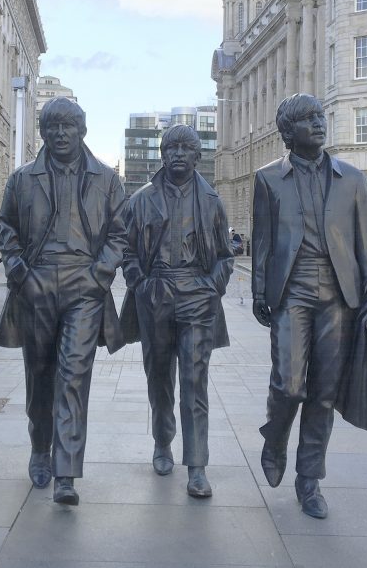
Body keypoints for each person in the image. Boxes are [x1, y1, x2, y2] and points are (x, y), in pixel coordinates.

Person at [251, 93, 367, 519]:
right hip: (292, 290)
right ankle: (275, 437)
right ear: (288, 132)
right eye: (308, 118)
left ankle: (309, 481)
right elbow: (264, 243)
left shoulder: (352, 179)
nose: (319, 123)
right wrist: (257, 293)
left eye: (320, 115)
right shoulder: (268, 179)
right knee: (289, 385)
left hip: (340, 296)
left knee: (324, 393)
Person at [0, 96, 128, 506]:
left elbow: (120, 235)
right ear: (43, 132)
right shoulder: (21, 179)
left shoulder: (106, 178)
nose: (60, 134)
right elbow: (6, 228)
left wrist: (98, 275)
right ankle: (40, 449)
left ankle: (66, 471)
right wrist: (19, 273)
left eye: (68, 126)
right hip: (36, 283)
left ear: (83, 130)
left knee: (73, 375)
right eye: (52, 127)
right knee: (40, 375)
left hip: (84, 286)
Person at [120, 124, 234, 498]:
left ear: (198, 156)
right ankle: (162, 441)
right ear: (162, 154)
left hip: (197, 296)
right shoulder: (141, 200)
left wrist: (211, 287)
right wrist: (141, 282)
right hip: (156, 293)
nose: (179, 154)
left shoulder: (212, 201)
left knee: (194, 380)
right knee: (159, 377)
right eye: (172, 148)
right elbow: (127, 249)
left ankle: (197, 465)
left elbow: (224, 256)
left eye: (187, 148)